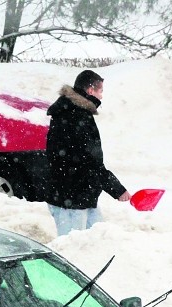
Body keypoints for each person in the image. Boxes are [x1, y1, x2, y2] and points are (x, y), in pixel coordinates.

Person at [45, 69, 130, 236]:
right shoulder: (79, 117)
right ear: (90, 90)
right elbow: (91, 161)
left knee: (99, 241)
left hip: (75, 194)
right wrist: (117, 189)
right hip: (72, 199)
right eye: (101, 91)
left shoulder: (66, 112)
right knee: (72, 248)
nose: (102, 96)